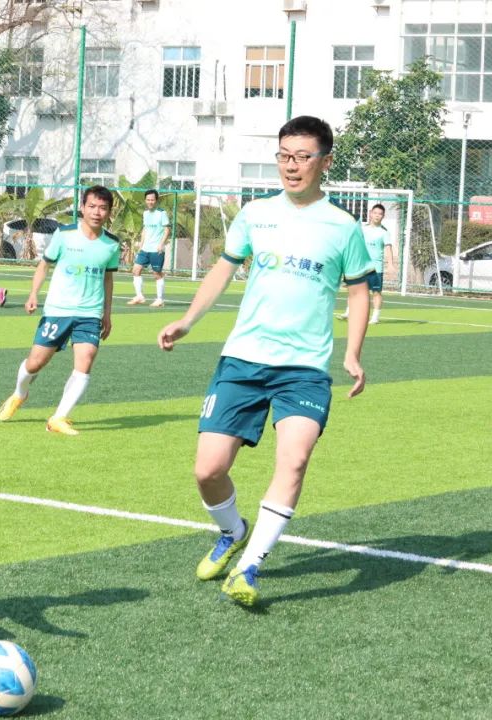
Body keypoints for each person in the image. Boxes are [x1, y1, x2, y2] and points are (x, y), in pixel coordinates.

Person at [157, 116, 375, 606]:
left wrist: (353, 352)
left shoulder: (344, 227)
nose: (291, 166)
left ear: (325, 162)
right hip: (244, 359)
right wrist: (187, 321)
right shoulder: (255, 214)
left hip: (305, 367)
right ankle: (232, 531)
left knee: (294, 460)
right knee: (208, 470)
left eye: (302, 157)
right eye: (284, 156)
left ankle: (249, 567)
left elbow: (359, 292)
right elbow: (222, 271)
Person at [0, 185, 121, 436]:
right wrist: (33, 294)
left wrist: (107, 313)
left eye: (103, 208)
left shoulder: (111, 244)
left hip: (90, 313)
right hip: (58, 309)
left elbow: (108, 278)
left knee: (86, 360)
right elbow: (44, 265)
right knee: (35, 363)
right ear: (82, 208)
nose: (97, 212)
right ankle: (20, 393)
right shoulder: (64, 234)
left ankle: (58, 418)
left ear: (109, 212)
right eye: (92, 206)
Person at [339, 203, 394, 324]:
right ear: (370, 214)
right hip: (360, 266)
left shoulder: (384, 232)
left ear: (383, 216)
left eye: (380, 214)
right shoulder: (362, 229)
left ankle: (375, 317)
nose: (377, 215)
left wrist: (390, 264)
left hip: (376, 268)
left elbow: (388, 248)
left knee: (376, 292)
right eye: (375, 213)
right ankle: (348, 312)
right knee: (354, 289)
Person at [127, 189, 171, 307]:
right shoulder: (145, 213)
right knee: (136, 270)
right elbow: (145, 229)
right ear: (145, 200)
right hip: (145, 249)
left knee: (157, 274)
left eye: (152, 200)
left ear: (156, 200)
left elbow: (167, 230)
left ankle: (160, 299)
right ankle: (139, 296)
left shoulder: (162, 213)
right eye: (148, 200)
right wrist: (141, 245)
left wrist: (161, 244)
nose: (150, 202)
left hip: (156, 249)